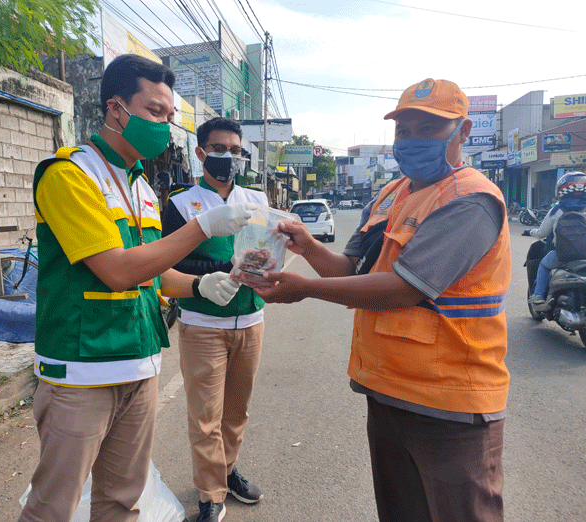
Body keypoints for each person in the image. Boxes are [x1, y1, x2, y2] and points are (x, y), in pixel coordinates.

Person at [255, 79, 511, 522]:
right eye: (404, 131)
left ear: (464, 132)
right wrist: (307, 246)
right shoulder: (393, 193)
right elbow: (352, 272)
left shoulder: (471, 199)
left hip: (451, 404)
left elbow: (406, 287)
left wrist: (305, 289)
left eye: (428, 129)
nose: (411, 142)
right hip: (388, 393)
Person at [18, 55, 257, 522]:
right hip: (83, 371)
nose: (165, 127)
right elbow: (118, 270)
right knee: (53, 507)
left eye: (169, 117)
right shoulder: (68, 175)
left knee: (123, 501)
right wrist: (204, 225)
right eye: (154, 112)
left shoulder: (143, 188)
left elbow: (153, 272)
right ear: (115, 109)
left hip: (140, 362)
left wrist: (202, 284)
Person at [161, 117, 268, 522]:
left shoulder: (256, 201)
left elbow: (264, 250)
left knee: (236, 412)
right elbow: (171, 259)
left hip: (250, 320)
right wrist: (217, 269)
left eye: (236, 151)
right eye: (220, 149)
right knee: (205, 417)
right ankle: (210, 494)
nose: (228, 157)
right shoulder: (181, 204)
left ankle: (226, 470)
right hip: (203, 324)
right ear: (201, 152)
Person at [525, 172, 586, 304]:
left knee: (544, 265)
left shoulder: (557, 210)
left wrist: (530, 232)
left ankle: (539, 295)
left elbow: (542, 233)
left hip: (562, 255)